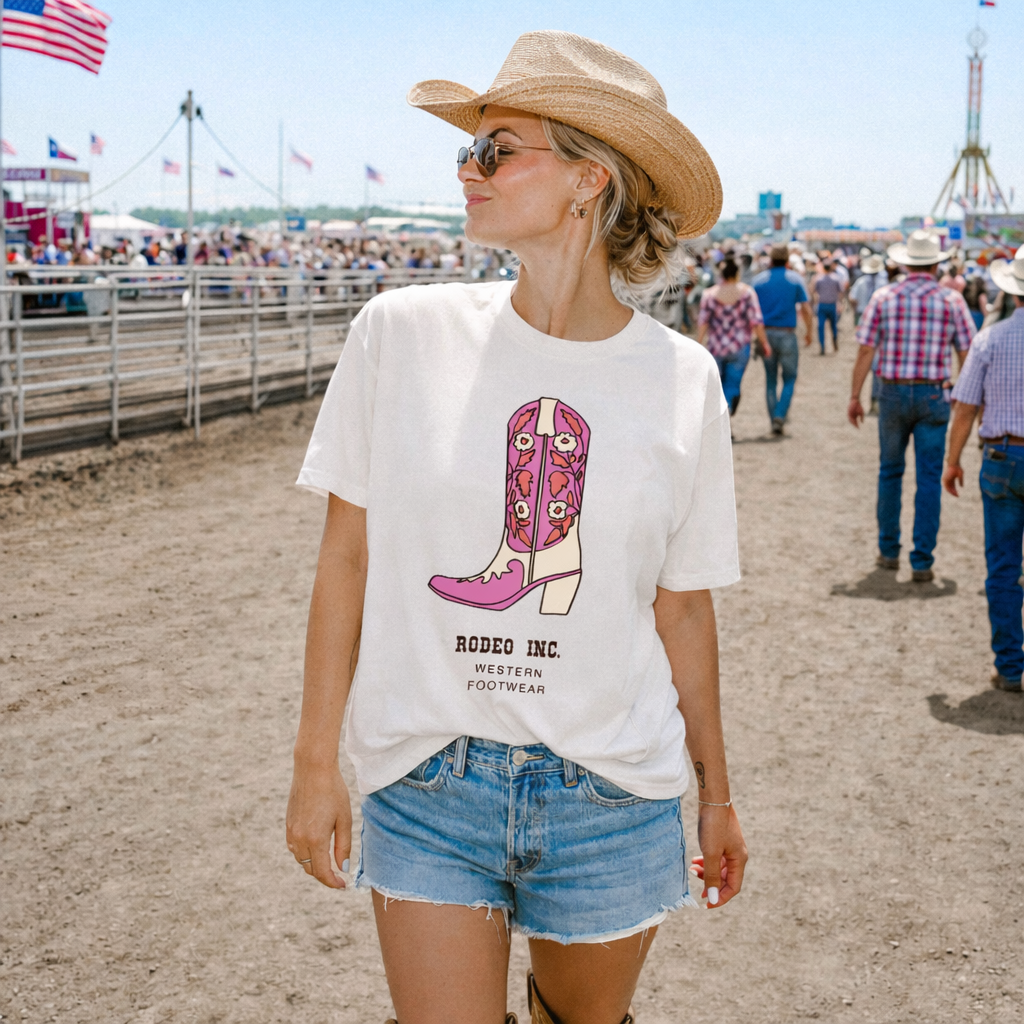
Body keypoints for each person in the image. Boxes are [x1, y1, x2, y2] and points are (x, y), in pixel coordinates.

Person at [286, 31, 747, 1024]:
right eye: (468, 150)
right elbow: (346, 556)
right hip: (428, 777)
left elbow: (683, 607)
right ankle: (525, 557)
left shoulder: (681, 380)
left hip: (610, 791)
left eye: (497, 148)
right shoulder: (399, 333)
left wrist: (715, 791)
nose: (468, 168)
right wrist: (314, 764)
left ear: (589, 179)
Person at [848, 230, 975, 581]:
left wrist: (855, 395)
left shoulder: (884, 296)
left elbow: (865, 349)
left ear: (904, 263)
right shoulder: (952, 301)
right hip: (934, 394)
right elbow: (967, 353)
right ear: (937, 264)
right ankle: (922, 560)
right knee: (929, 479)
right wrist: (966, 398)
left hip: (891, 393)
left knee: (889, 473)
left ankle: (889, 551)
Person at [942, 245, 1024, 692]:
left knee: (1004, 568)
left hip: (1002, 457)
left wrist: (952, 461)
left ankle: (1010, 665)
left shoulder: (990, 338)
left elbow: (965, 406)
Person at [697, 256, 769, 420]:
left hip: (716, 346)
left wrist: (698, 343)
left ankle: (720, 419)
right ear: (737, 273)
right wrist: (764, 343)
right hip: (739, 346)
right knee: (733, 384)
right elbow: (756, 321)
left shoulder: (709, 294)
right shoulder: (747, 293)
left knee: (717, 387)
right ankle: (727, 414)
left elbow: (703, 322)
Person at [752, 243, 813, 435]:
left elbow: (753, 312)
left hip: (765, 334)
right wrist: (809, 331)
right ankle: (780, 414)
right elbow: (806, 308)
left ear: (770, 260)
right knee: (789, 378)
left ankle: (773, 420)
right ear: (788, 260)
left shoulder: (758, 281)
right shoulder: (795, 279)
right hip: (787, 333)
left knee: (770, 380)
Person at [849, 254, 891, 415]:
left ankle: (874, 398)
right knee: (876, 359)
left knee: (868, 353)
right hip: (878, 318)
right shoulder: (884, 284)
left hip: (864, 314)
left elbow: (852, 298)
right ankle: (875, 399)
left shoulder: (861, 282)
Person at [812, 259, 843, 353]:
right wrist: (840, 302)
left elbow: (813, 291)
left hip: (822, 305)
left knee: (821, 327)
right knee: (833, 326)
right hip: (832, 305)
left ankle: (822, 346)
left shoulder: (819, 278)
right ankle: (834, 341)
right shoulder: (836, 278)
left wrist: (815, 302)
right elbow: (840, 292)